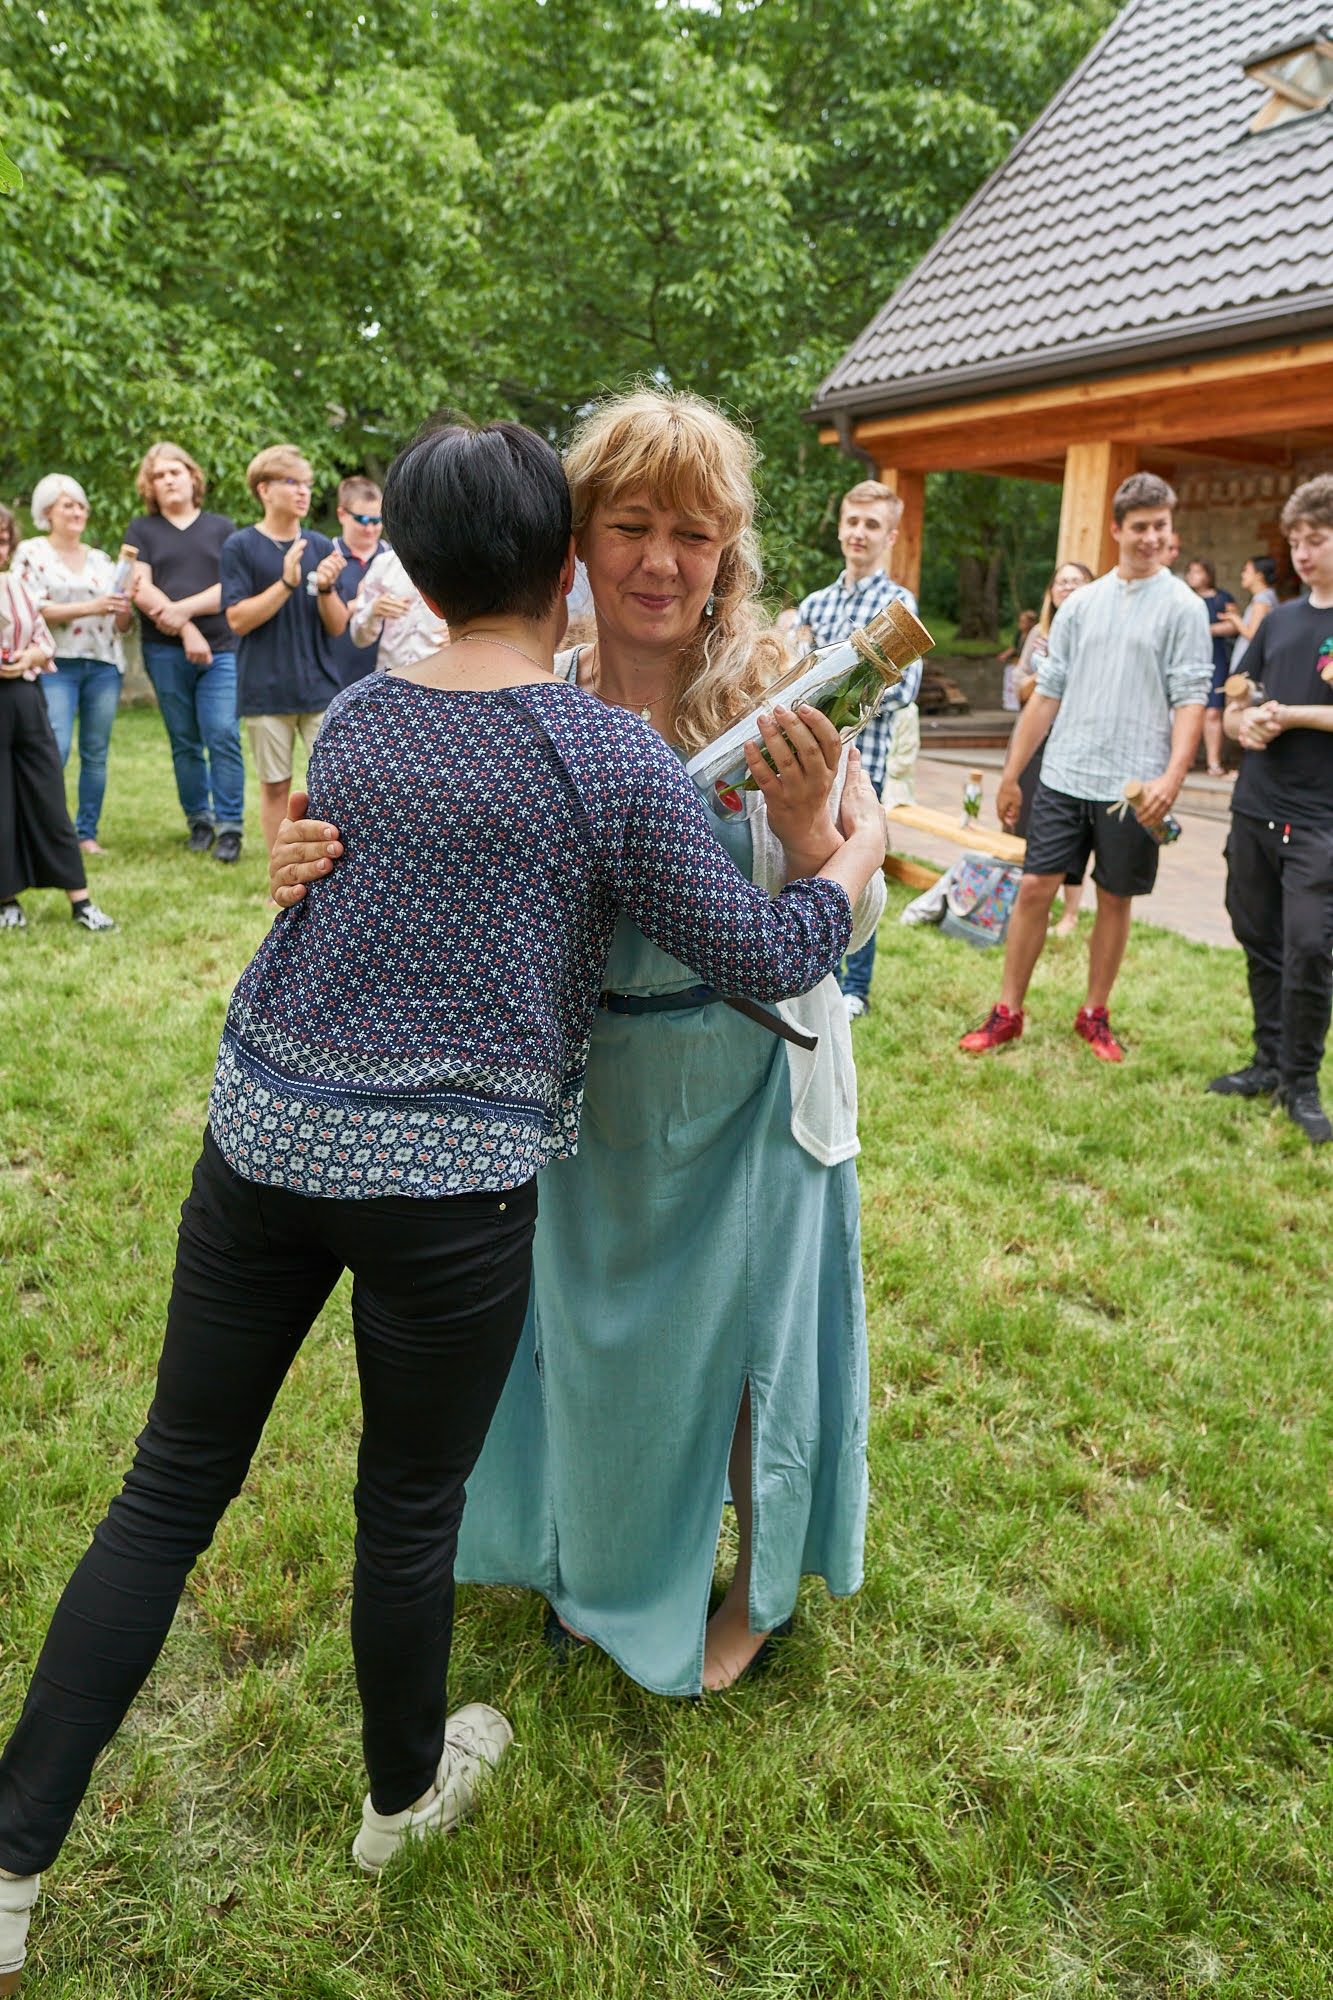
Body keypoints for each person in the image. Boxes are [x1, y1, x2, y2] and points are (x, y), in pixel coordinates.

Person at [0, 419, 886, 1989]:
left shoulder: (353, 720)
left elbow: (374, 868)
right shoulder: (597, 751)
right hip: (449, 1189)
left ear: (398, 558)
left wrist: (298, 877)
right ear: (564, 567)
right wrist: (855, 857)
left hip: (262, 1138)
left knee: (165, 1490)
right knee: (400, 1512)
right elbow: (763, 958)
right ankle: (399, 1798)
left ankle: (8, 1867)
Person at [272, 388, 889, 1695]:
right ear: (575, 542)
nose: (663, 562)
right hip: (581, 1088)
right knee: (588, 1345)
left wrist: (818, 834)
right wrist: (310, 854)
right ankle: (594, 1556)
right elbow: (423, 853)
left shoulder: (783, 680)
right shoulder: (531, 689)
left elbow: (849, 902)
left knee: (740, 1354)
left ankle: (750, 1589)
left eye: (696, 532)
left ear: (731, 550)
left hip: (746, 1082)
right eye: (631, 525)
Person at [959, 473, 1211, 1062]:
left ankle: (1094, 1013)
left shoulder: (1185, 608)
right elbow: (1046, 693)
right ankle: (1007, 1012)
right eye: (1140, 527)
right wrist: (1010, 774)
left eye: (1161, 528)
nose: (1151, 538)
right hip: (1064, 775)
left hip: (1136, 786)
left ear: (1170, 533)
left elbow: (1192, 698)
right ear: (1117, 530)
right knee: (1033, 889)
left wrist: (1172, 779)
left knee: (1115, 897)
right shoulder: (1081, 606)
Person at [1210, 476, 1333, 1145]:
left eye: (1314, 539)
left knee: (1310, 947)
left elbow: (1288, 710)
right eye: (1295, 541)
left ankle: (1302, 1081)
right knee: (1255, 933)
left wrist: (1290, 716)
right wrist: (1241, 723)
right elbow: (1234, 699)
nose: (1302, 553)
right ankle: (1266, 1062)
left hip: (1319, 819)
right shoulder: (1277, 620)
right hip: (1254, 807)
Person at [796, 477, 923, 1020]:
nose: (859, 533)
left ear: (890, 536)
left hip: (858, 765)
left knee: (860, 867)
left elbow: (905, 689)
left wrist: (840, 687)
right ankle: (817, 971)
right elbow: (795, 669)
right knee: (811, 866)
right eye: (852, 521)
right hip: (806, 763)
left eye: (872, 525)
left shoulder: (897, 605)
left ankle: (857, 988)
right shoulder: (816, 603)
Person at [219, 445, 348, 855]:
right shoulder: (239, 546)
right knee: (275, 787)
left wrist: (325, 587)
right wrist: (287, 582)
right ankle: (283, 880)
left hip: (319, 689)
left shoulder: (319, 544)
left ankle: (330, 872)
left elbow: (338, 624)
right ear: (263, 489)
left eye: (307, 484)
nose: (303, 492)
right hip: (265, 689)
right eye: (291, 482)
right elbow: (237, 619)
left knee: (331, 783)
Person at [125, 442, 245, 861]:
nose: (167, 480)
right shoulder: (142, 530)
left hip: (222, 651)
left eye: (174, 472)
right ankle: (200, 821)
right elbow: (139, 586)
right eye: (157, 476)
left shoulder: (222, 527)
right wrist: (187, 629)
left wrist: (182, 612)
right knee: (185, 740)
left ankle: (230, 827)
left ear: (193, 477)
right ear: (150, 487)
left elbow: (231, 586)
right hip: (163, 651)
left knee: (223, 733)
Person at [0, 502, 116, 934]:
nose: (0, 548)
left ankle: (80, 900)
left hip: (26, 698)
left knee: (48, 791)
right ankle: (6, 898)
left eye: (4, 540)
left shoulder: (14, 585)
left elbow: (42, 641)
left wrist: (28, 655)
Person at [11, 476, 132, 855]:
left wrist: (124, 610)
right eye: (68, 505)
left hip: (103, 664)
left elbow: (120, 624)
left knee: (95, 753)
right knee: (55, 748)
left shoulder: (101, 560)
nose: (78, 512)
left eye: (81, 505)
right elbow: (30, 610)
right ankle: (46, 829)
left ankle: (85, 834)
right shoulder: (31, 553)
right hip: (54, 663)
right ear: (47, 513)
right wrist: (92, 606)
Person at [1011, 561, 1094, 937]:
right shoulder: (1039, 637)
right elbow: (1020, 688)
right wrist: (1043, 678)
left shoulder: (1095, 633)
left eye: (1077, 582)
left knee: (1074, 826)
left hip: (1076, 739)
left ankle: (1070, 913)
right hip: (1035, 737)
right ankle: (1022, 899)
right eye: (1061, 582)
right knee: (1026, 817)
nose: (1068, 588)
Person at [325, 475, 388, 688]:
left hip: (385, 673)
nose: (370, 529)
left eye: (377, 520)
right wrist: (364, 604)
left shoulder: (395, 560)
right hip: (335, 674)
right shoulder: (326, 557)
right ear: (342, 514)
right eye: (362, 520)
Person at [348, 542, 448, 672]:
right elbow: (358, 638)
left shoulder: (456, 563)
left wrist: (463, 633)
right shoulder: (384, 563)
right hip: (392, 675)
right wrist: (373, 610)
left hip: (442, 674)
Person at [1186, 557, 1239, 777]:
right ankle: (1186, 759)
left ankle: (1213, 761)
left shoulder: (1222, 597)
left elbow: (1234, 624)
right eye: (1190, 572)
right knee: (1188, 708)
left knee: (1213, 711)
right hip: (1189, 658)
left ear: (1208, 574)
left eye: (1197, 571)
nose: (1192, 576)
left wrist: (1206, 630)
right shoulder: (1184, 598)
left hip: (1215, 656)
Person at [1222, 554, 1279, 674]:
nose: (1242, 575)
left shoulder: (1262, 600)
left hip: (1249, 666)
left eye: (1246, 571)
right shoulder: (1267, 596)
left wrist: (1234, 618)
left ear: (1259, 575)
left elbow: (1253, 634)